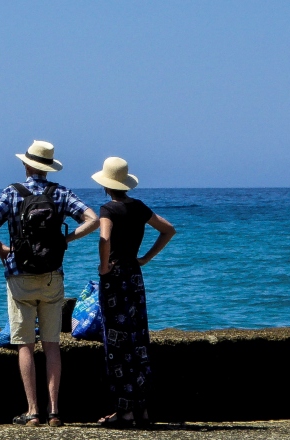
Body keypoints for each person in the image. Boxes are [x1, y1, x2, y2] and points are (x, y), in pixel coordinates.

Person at [0, 140, 99, 427]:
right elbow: (92, 219)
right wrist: (66, 240)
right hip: (52, 276)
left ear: (27, 164)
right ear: (48, 167)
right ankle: (54, 411)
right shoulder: (61, 193)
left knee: (24, 345)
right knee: (52, 344)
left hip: (19, 276)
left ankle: (33, 412)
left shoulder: (12, 192)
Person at [91, 157, 176, 428]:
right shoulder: (139, 208)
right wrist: (145, 258)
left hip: (115, 278)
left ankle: (124, 412)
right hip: (134, 277)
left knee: (117, 344)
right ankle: (142, 410)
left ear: (106, 185)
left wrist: (103, 267)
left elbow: (104, 239)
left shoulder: (108, 209)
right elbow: (168, 230)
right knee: (138, 341)